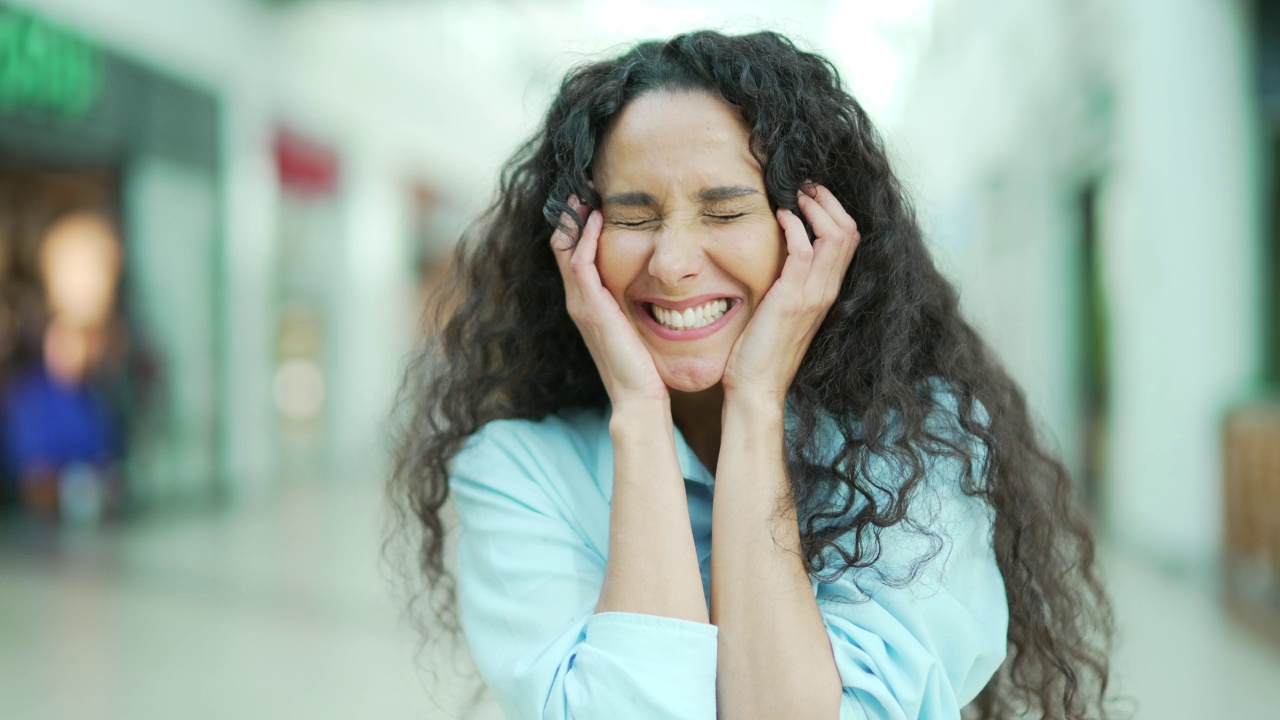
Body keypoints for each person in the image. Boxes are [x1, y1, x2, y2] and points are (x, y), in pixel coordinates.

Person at [389, 30, 1113, 720]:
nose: (672, 264)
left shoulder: (919, 450)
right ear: (577, 243)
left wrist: (755, 406)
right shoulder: (517, 469)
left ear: (814, 234)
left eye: (726, 210)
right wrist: (639, 418)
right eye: (634, 218)